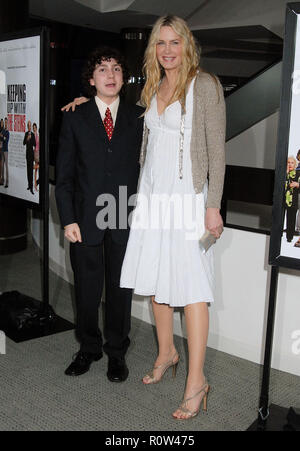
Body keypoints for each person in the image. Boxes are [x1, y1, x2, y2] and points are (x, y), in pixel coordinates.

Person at [120, 15, 226, 420]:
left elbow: (216, 151)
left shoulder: (205, 85)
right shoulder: (154, 85)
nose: (167, 50)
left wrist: (212, 205)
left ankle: (196, 381)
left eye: (174, 42)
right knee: (155, 277)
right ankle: (167, 351)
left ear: (187, 44)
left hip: (188, 198)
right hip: (153, 195)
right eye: (160, 43)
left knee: (193, 288)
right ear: (154, 49)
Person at [56, 47, 144, 381]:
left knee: (121, 291)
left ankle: (117, 352)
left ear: (124, 77)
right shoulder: (75, 116)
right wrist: (68, 219)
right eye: (103, 69)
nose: (111, 75)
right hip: (84, 221)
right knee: (87, 290)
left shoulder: (139, 117)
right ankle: (89, 347)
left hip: (124, 217)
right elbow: (64, 176)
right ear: (91, 79)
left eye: (117, 69)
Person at [285, 156, 300, 243]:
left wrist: (297, 184)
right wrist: (286, 173)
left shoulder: (298, 173)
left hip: (293, 200)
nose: (290, 164)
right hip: (282, 200)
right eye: (288, 162)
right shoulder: (283, 173)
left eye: (292, 162)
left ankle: (289, 237)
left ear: (295, 164)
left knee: (291, 218)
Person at [23, 120, 36, 194]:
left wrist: (31, 138)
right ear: (27, 126)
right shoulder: (25, 134)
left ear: (31, 126)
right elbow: (23, 143)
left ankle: (31, 187)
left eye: (29, 125)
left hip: (31, 154)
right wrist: (27, 139)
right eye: (28, 125)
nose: (29, 126)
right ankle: (29, 185)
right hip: (27, 155)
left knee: (31, 171)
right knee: (28, 171)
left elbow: (34, 144)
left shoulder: (33, 135)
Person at [0, 117, 9, 188]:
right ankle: (2, 180)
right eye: (4, 122)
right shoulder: (3, 131)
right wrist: (3, 137)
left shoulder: (7, 132)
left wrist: (2, 137)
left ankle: (7, 182)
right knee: (2, 166)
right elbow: (2, 139)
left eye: (6, 122)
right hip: (2, 150)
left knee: (6, 166)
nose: (5, 123)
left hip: (6, 150)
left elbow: (6, 140)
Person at [32, 123, 39, 191]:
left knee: (37, 169)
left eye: (35, 127)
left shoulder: (37, 135)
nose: (34, 128)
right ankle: (35, 185)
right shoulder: (33, 135)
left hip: (38, 152)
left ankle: (36, 184)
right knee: (36, 170)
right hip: (35, 153)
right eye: (33, 127)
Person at [0, 118, 4, 185]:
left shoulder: (4, 130)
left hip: (2, 149)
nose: (2, 124)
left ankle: (1, 178)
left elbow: (5, 139)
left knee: (1, 164)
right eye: (1, 123)